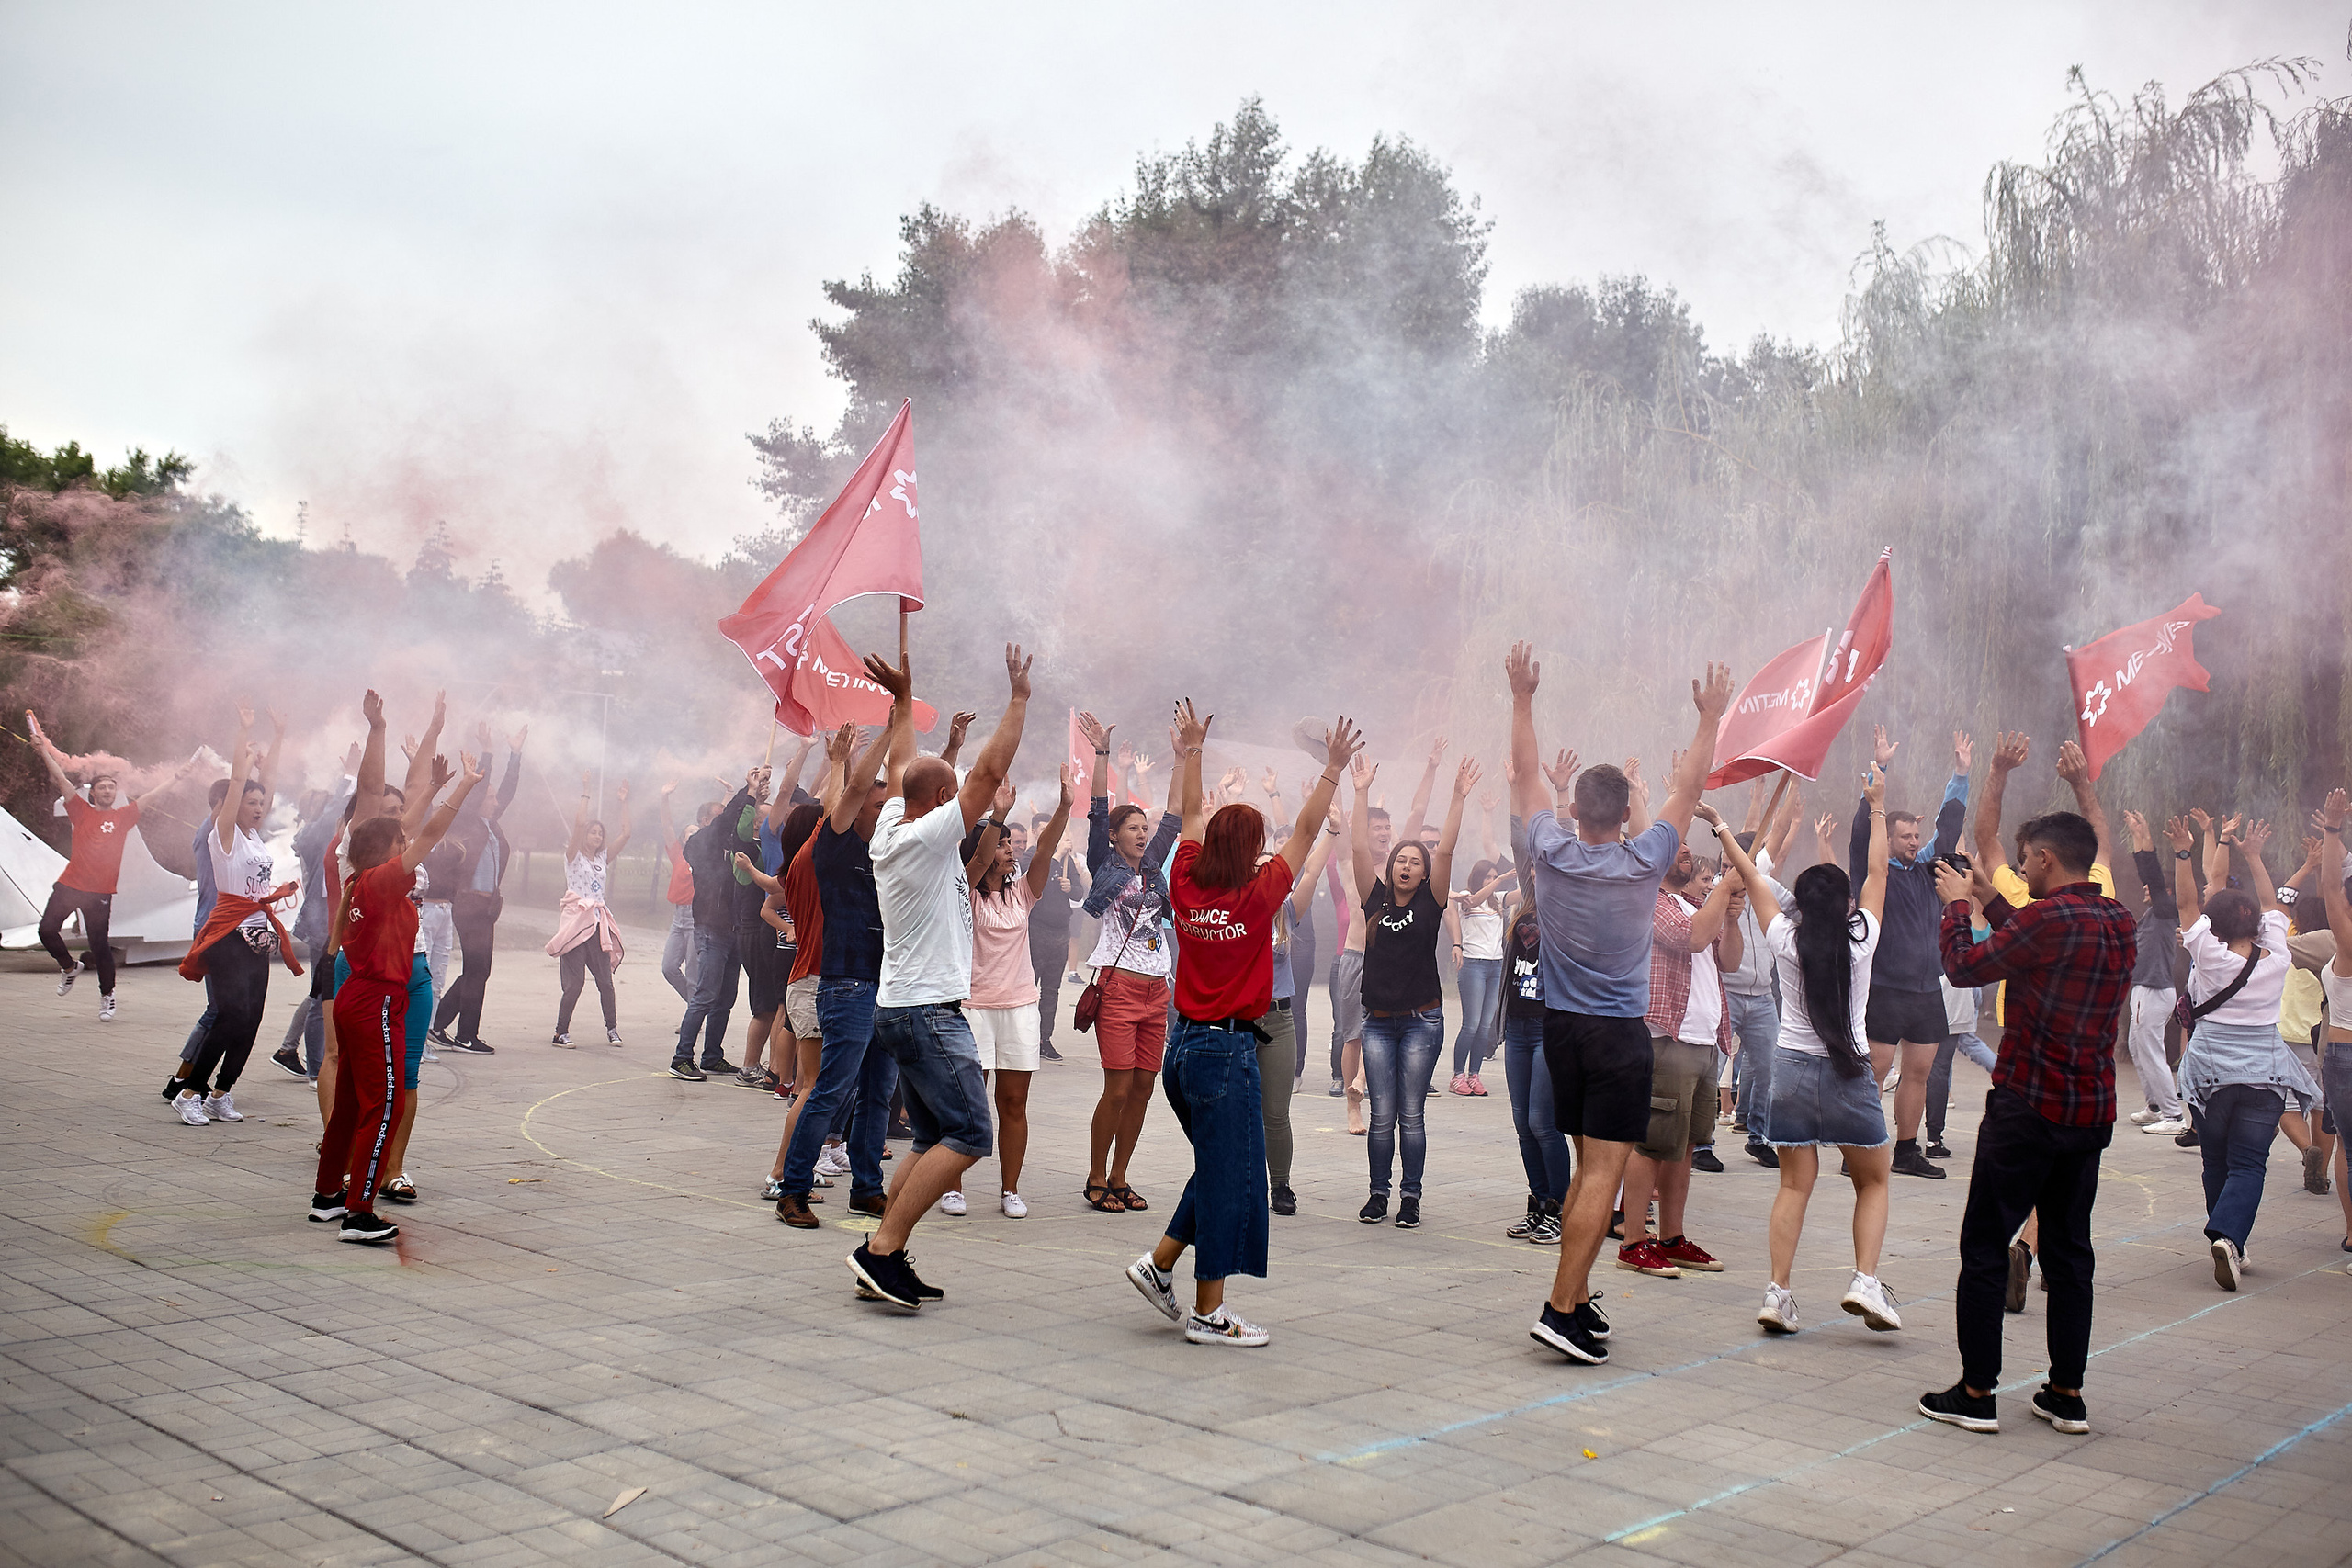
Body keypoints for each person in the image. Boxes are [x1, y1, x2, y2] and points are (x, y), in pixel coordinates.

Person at [1510, 641, 1732, 1366]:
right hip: (1616, 1038)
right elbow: (1691, 788)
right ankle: (1558, 1308)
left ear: (1574, 809)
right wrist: (1710, 716)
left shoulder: (1552, 848)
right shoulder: (1645, 860)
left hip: (1562, 1030)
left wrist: (1522, 697)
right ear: (1629, 812)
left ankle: (1574, 1297)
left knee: (1585, 1171)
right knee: (1603, 1174)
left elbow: (1523, 780)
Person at [1125, 704, 1361, 1347]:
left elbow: (1193, 815)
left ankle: (1160, 1262)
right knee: (1231, 1175)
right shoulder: (1260, 897)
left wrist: (1191, 751)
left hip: (1184, 1045)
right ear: (1251, 849)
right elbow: (1309, 828)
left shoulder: (1185, 883)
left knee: (1222, 1164)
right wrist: (1334, 769)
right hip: (1227, 1051)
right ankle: (1210, 1312)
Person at [1921, 809, 2135, 1438]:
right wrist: (1989, 897)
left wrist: (1961, 908)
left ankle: (1977, 1391)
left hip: (2027, 1109)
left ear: (2045, 857)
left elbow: (1966, 966)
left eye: (2022, 859)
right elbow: (2041, 942)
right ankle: (2067, 1393)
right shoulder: (2118, 920)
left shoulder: (2046, 920)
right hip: (2089, 1111)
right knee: (2070, 1252)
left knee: (1985, 1244)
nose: (2019, 869)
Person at [845, 635, 1027, 1309]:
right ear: (945, 799)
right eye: (958, 796)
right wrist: (1019, 700)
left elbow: (901, 764)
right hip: (925, 1011)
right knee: (972, 1133)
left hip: (903, 1007)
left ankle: (882, 1254)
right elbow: (982, 775)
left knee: (929, 1138)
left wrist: (900, 700)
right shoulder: (926, 835)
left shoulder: (895, 817)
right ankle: (882, 1249)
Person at [1712, 784, 1901, 1334]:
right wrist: (1878, 803)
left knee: (1794, 1185)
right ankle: (1865, 1281)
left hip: (1791, 1070)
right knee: (1873, 1182)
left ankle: (1778, 1293)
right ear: (1845, 905)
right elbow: (1879, 872)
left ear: (1801, 902)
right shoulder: (1861, 935)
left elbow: (1750, 877)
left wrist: (1723, 828)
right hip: (1850, 1071)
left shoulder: (1784, 938)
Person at [310, 750, 484, 1246]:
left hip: (354, 998)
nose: (408, 843)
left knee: (348, 1103)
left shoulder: (358, 881)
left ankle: (327, 1197)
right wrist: (463, 787)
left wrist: (430, 787)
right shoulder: (384, 881)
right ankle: (358, 1213)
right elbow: (427, 834)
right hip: (376, 1003)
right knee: (382, 1105)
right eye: (399, 842)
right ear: (384, 852)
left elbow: (410, 826)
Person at [2167, 810, 2315, 1291]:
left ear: (2214, 925)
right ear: (2257, 924)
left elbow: (2188, 905)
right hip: (2263, 1077)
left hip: (2210, 1076)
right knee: (2251, 1163)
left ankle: (2229, 1240)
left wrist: (2183, 853)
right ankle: (2230, 1239)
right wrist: (2254, 856)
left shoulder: (2208, 957)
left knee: (2215, 1161)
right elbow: (2275, 905)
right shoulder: (2279, 957)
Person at [772, 724, 898, 1229]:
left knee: (878, 1095)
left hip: (886, 986)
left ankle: (866, 1189)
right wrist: (888, 732)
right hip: (846, 984)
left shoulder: (883, 853)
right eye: (874, 805)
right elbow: (849, 793)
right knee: (831, 1090)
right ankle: (792, 1189)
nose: (882, 811)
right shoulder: (835, 847)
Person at [1350, 748, 1477, 1228]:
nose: (1406, 866)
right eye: (1400, 859)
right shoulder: (1375, 899)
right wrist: (1360, 793)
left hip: (1423, 1020)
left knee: (1412, 1113)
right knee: (1381, 1115)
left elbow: (1444, 848)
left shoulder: (1432, 902)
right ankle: (1378, 1195)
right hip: (1378, 1023)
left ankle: (1410, 1197)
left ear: (1424, 873)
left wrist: (1458, 796)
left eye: (1414, 862)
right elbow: (1361, 849)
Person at [941, 770, 1073, 1218]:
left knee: (1013, 1102)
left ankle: (1009, 1189)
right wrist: (996, 816)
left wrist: (1065, 806)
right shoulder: (965, 889)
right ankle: (951, 1185)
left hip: (1018, 1007)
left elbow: (1048, 848)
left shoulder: (1023, 893)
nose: (1011, 849)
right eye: (1002, 844)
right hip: (971, 1007)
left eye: (1012, 844)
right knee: (966, 1101)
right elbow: (976, 863)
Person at [1074, 708, 1182, 1213]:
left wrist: (1185, 758)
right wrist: (1101, 754)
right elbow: (1098, 810)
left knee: (1143, 1087)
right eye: (1132, 828)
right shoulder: (1106, 862)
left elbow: (1176, 816)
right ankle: (1096, 1176)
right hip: (1117, 987)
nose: (1142, 834)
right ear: (1116, 837)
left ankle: (1120, 1175)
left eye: (1145, 828)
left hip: (1157, 990)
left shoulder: (1156, 865)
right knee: (1117, 1086)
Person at [1623, 822, 1742, 1276]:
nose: (1687, 853)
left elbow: (1728, 960)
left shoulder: (1695, 902)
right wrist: (1728, 885)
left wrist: (1729, 917)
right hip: (1666, 1038)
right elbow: (1689, 937)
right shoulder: (1648, 901)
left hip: (1705, 1039)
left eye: (1689, 848)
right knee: (1652, 1144)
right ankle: (1635, 1239)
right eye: (1677, 848)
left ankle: (1671, 1237)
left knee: (1686, 1144)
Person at [1853, 726, 1972, 1180]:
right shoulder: (1876, 873)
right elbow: (1864, 829)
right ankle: (1861, 1147)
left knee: (1920, 1069)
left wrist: (1960, 775)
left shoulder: (1927, 871)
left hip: (1926, 988)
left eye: (1914, 834)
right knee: (1877, 1069)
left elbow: (1949, 828)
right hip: (1886, 987)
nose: (1912, 840)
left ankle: (1905, 1150)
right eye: (1904, 834)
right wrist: (1878, 770)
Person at [27, 710, 195, 1021]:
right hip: (71, 884)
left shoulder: (123, 817)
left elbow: (152, 797)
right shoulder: (80, 810)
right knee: (46, 930)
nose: (107, 791)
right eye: (102, 787)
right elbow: (61, 780)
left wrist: (178, 777)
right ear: (93, 793)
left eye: (111, 788)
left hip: (99, 892)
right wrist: (43, 752)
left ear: (115, 793)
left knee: (100, 945)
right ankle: (68, 967)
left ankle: (108, 997)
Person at [173, 703, 295, 1126]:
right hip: (226, 931)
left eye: (262, 803)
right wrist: (244, 736)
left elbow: (268, 782)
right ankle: (189, 1092)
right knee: (230, 1013)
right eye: (251, 802)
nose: (259, 806)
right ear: (231, 806)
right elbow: (240, 781)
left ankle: (221, 1094)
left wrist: (278, 737)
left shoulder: (255, 836)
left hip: (258, 934)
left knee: (253, 1017)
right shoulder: (222, 838)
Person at [1262, 796, 1342, 1214]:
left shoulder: (1287, 913)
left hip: (1278, 1022)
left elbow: (1309, 870)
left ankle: (1281, 1186)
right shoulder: (1228, 911)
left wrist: (1331, 832)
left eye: (1269, 866)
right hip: (1235, 1022)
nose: (1264, 872)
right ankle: (1238, 1179)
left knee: (1276, 1112)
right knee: (1238, 1110)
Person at [427, 726, 524, 1055]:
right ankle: (465, 1035)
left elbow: (507, 791)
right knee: (478, 969)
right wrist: (488, 755)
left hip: (486, 909)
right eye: (490, 797)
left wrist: (516, 755)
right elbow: (474, 792)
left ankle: (438, 1024)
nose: (496, 801)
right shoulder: (467, 821)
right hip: (468, 906)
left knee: (478, 970)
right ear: (479, 800)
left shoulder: (490, 824)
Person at [1723, 788, 1800, 1168]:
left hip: (1763, 997)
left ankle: (1760, 1135)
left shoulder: (1767, 886)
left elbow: (1798, 908)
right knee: (1710, 1069)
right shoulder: (1717, 891)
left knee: (1771, 1066)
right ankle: (1701, 1144)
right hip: (1725, 993)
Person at [672, 768, 763, 1077]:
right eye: (720, 815)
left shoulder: (730, 844)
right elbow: (729, 819)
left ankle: (712, 1056)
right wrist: (747, 791)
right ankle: (682, 1058)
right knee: (706, 995)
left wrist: (755, 796)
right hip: (711, 931)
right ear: (707, 821)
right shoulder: (699, 843)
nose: (727, 819)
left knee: (725, 998)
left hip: (732, 929)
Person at [2117, 808, 2188, 1136]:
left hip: (2154, 990)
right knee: (2137, 1046)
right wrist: (2138, 836)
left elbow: (2153, 878)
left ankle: (2174, 1115)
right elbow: (2153, 880)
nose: (2147, 890)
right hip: (2144, 990)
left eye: (2156, 890)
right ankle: (2155, 1106)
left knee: (2152, 1050)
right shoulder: (2154, 916)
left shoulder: (2165, 912)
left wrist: (2144, 841)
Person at [548, 772, 630, 1048]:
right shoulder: (573, 856)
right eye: (592, 832)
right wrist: (586, 790)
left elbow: (627, 833)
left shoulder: (603, 858)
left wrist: (623, 802)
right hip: (576, 922)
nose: (596, 835)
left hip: (597, 923)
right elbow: (579, 822)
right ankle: (560, 1032)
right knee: (575, 983)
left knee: (605, 981)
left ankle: (612, 1028)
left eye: (600, 833)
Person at [2313, 790, 2352, 1265]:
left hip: (2344, 1054)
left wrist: (2333, 829)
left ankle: (2351, 1230)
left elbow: (2327, 889)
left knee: (2347, 1144)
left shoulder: (2347, 938)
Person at [1025, 805, 1088, 1064]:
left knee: (1052, 989)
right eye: (1043, 831)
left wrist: (1070, 885)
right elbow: (1031, 882)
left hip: (1060, 931)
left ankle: (1045, 1038)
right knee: (1031, 988)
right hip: (1036, 931)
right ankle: (1026, 1038)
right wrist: (1054, 856)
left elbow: (1079, 894)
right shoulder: (1031, 856)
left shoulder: (1066, 860)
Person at [1445, 858, 1512, 1095]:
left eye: (1494, 877)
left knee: (1485, 1026)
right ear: (1478, 878)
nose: (1492, 881)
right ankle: (1457, 1075)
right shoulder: (1467, 898)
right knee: (1471, 1024)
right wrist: (1502, 879)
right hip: (1473, 964)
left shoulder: (1498, 901)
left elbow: (1523, 893)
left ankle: (1475, 1074)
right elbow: (1474, 900)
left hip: (1495, 965)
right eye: (1488, 877)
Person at [658, 784, 722, 1002]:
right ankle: (698, 1007)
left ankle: (692, 1018)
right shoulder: (678, 855)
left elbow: (719, 824)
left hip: (698, 918)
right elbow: (666, 825)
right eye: (689, 834)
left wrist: (728, 795)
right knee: (668, 968)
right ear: (683, 839)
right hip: (679, 918)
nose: (694, 837)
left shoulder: (708, 858)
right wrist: (664, 797)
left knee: (694, 975)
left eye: (697, 833)